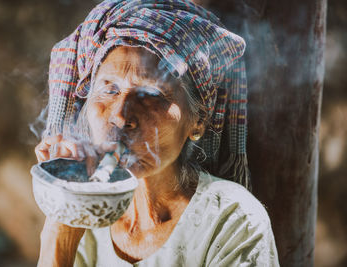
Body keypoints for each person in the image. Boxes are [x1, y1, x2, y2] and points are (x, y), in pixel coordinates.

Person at [34, 0, 279, 266]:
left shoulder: (231, 219)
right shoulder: (85, 215)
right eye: (110, 88)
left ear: (197, 121)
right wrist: (62, 222)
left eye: (151, 94)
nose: (120, 115)